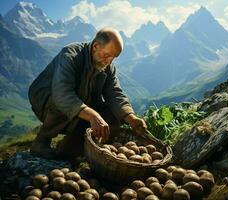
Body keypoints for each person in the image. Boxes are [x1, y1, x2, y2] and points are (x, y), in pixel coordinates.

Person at [29, 27, 147, 159]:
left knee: (114, 114)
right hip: (46, 100)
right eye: (107, 55)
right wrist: (92, 115)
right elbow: (62, 94)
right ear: (96, 46)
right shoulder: (70, 55)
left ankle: (73, 143)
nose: (109, 62)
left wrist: (131, 117)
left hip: (81, 102)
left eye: (113, 58)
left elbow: (114, 94)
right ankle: (41, 141)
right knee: (64, 101)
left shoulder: (107, 66)